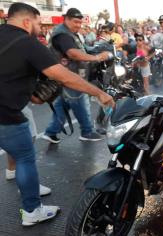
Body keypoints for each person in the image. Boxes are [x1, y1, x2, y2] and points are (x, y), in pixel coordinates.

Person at [0, 2, 114, 226]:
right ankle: (32, 210)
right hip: (6, 113)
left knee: (26, 138)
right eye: (37, 22)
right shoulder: (27, 42)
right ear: (26, 21)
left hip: (11, 107)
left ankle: (19, 177)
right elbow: (64, 76)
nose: (40, 28)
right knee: (26, 158)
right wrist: (99, 93)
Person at [42, 8, 111, 144]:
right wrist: (96, 57)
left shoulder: (71, 34)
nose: (78, 25)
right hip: (70, 77)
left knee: (63, 105)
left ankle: (51, 132)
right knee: (81, 100)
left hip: (66, 77)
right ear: (66, 19)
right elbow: (73, 53)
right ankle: (87, 131)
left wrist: (99, 48)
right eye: (75, 22)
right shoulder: (62, 35)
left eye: (80, 22)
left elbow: (83, 49)